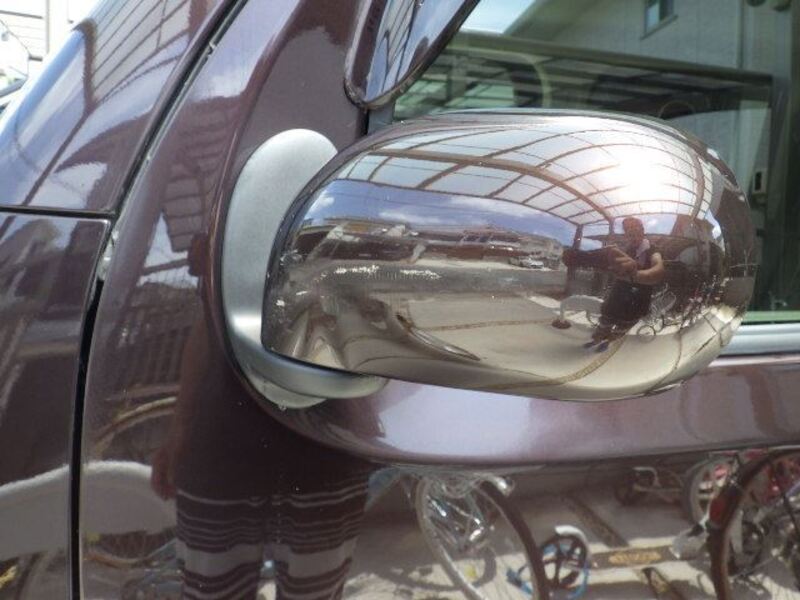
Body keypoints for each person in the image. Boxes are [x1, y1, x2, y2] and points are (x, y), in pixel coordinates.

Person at [585, 217, 665, 352]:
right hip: (616, 297)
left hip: (637, 302)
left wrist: (635, 275)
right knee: (605, 323)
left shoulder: (653, 249)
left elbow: (658, 269)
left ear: (642, 230)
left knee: (622, 328)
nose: (632, 233)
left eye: (635, 228)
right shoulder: (624, 249)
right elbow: (613, 268)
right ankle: (597, 339)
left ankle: (609, 342)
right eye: (628, 230)